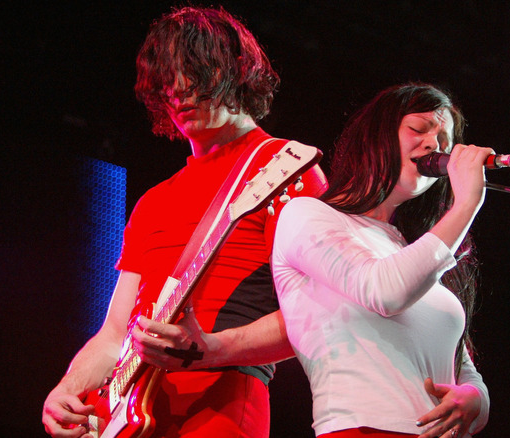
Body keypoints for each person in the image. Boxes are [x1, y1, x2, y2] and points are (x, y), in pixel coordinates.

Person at [41, 6, 326, 438]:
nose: (178, 90)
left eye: (194, 72)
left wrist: (211, 350)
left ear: (237, 69)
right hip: (133, 414)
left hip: (222, 404)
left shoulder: (282, 168)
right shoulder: (153, 201)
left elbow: (319, 313)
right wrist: (67, 388)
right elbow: (114, 333)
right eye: (167, 78)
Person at [270, 82, 491, 438]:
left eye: (444, 141)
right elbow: (384, 292)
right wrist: (466, 205)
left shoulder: (414, 250)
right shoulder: (307, 215)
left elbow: (461, 363)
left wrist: (475, 397)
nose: (434, 145)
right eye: (419, 129)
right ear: (377, 135)